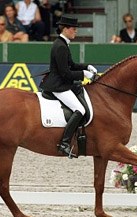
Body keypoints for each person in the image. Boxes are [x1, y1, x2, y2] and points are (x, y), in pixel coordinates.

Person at [39, 16, 97, 158]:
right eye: (73, 29)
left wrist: (87, 66)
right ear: (65, 29)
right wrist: (84, 74)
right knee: (80, 109)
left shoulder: (63, 43)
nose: (75, 32)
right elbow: (65, 73)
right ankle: (64, 143)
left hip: (61, 82)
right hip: (58, 85)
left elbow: (71, 65)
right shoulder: (60, 46)